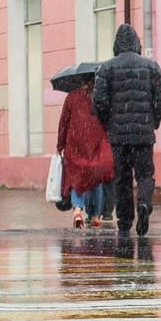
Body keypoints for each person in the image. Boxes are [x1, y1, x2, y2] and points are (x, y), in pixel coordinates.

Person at [91, 23, 161, 237]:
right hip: (143, 134)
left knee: (122, 177)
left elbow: (98, 101)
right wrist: (153, 121)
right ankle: (144, 204)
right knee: (145, 174)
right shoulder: (151, 67)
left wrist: (109, 123)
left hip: (118, 136)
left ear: (117, 45)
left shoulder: (106, 68)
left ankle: (125, 220)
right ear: (137, 43)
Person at [56, 81, 114, 229]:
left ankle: (77, 211)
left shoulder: (72, 97)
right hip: (96, 144)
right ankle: (95, 217)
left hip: (75, 143)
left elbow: (63, 123)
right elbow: (107, 121)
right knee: (96, 179)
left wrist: (60, 145)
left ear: (80, 81)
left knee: (76, 178)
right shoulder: (100, 97)